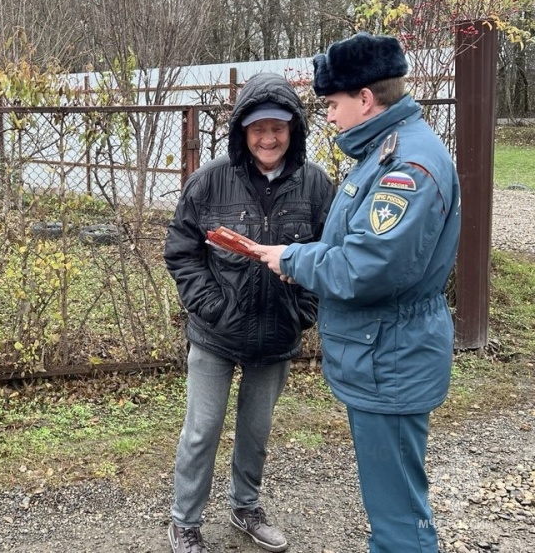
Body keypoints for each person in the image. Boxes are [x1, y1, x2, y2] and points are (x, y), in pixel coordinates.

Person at [248, 32, 461, 553]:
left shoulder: (407, 167)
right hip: (382, 353)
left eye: (333, 104)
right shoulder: (384, 152)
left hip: (391, 357)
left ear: (365, 98)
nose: (330, 116)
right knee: (392, 501)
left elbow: (368, 264)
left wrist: (292, 258)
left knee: (398, 516)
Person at [163, 72, 335, 553]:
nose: (268, 138)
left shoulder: (316, 185)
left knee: (255, 433)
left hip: (277, 335)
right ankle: (185, 521)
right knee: (202, 430)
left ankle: (245, 508)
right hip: (215, 334)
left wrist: (304, 309)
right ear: (242, 131)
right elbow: (181, 252)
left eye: (279, 127)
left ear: (294, 131)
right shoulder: (209, 182)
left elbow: (332, 255)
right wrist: (211, 306)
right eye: (258, 128)